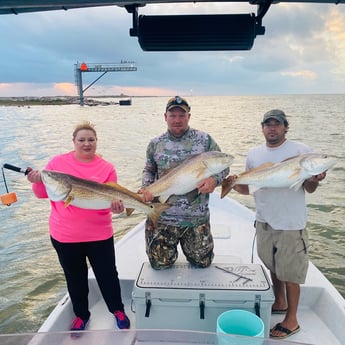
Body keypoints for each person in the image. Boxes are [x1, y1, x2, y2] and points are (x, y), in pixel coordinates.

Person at [227, 109, 327, 339]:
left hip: (291, 223)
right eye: (268, 124)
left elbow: (309, 188)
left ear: (285, 127)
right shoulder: (254, 154)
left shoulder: (301, 151)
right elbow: (249, 187)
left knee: (290, 272)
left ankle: (292, 319)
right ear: (262, 127)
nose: (272, 128)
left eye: (277, 124)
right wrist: (232, 184)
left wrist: (313, 179)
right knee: (272, 264)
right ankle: (279, 300)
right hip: (264, 220)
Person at [26, 121, 130, 332]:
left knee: (108, 275)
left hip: (99, 234)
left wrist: (117, 208)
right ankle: (81, 315)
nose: (86, 144)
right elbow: (41, 193)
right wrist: (36, 180)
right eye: (81, 140)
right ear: (73, 142)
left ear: (96, 142)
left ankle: (117, 310)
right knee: (75, 278)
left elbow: (110, 204)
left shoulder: (106, 168)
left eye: (90, 139)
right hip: (65, 236)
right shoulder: (57, 163)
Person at [139, 96, 229, 270]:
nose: (177, 120)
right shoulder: (155, 144)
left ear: (189, 116)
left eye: (182, 115)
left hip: (195, 217)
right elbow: (149, 170)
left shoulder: (205, 140)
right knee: (160, 265)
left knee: (202, 263)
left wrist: (214, 180)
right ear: (165, 117)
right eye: (173, 115)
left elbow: (224, 165)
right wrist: (146, 188)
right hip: (162, 216)